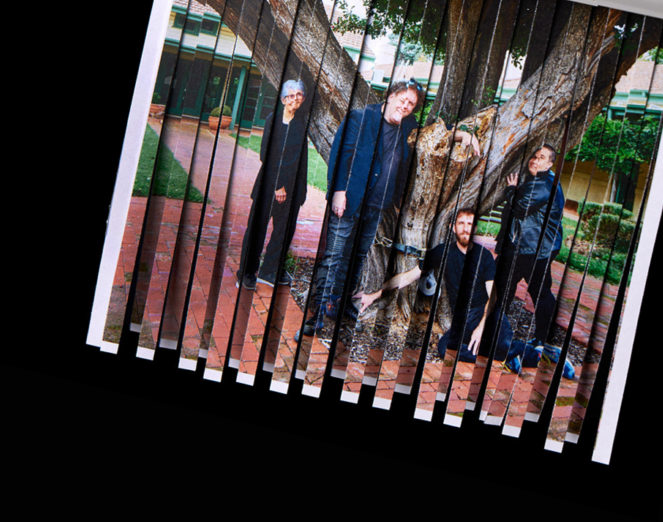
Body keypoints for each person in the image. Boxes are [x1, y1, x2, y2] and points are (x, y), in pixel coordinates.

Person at [302, 80, 478, 336]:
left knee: (357, 257)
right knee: (334, 256)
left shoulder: (407, 125)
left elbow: (433, 134)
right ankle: (316, 314)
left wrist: (463, 134)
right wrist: (338, 192)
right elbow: (340, 155)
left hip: (376, 206)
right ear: (391, 95)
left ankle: (338, 306)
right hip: (349, 201)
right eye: (403, 100)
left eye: (411, 104)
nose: (406, 106)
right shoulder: (360, 118)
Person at [354, 209, 573, 377]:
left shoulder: (484, 256)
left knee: (501, 343)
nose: (466, 228)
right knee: (444, 348)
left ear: (475, 227)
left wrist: (480, 327)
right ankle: (507, 354)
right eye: (461, 223)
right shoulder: (443, 252)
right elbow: (408, 277)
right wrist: (374, 295)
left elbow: (493, 297)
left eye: (470, 224)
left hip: (488, 315)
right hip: (463, 319)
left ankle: (541, 354)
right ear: (453, 227)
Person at [238, 79, 309, 291]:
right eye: (291, 95)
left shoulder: (301, 124)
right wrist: (279, 184)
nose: (295, 99)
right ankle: (246, 272)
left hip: (293, 188)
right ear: (283, 99)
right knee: (257, 229)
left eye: (299, 95)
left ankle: (270, 270)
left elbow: (298, 158)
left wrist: (299, 190)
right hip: (269, 185)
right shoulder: (273, 121)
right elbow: (266, 155)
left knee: (283, 231)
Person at [494, 144, 565, 347]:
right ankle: (502, 332)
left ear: (550, 164)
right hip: (530, 246)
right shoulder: (540, 179)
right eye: (534, 156)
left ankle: (542, 340)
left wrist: (510, 190)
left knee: (535, 291)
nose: (534, 160)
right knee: (514, 286)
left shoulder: (544, 185)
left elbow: (520, 207)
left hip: (533, 249)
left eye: (541, 157)